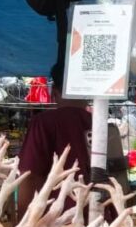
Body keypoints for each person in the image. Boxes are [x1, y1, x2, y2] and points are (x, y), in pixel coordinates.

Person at [17, 60, 92, 210]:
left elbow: (28, 175)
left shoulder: (44, 123)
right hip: (98, 215)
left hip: (58, 219)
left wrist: (21, 224)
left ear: (54, 93)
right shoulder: (99, 123)